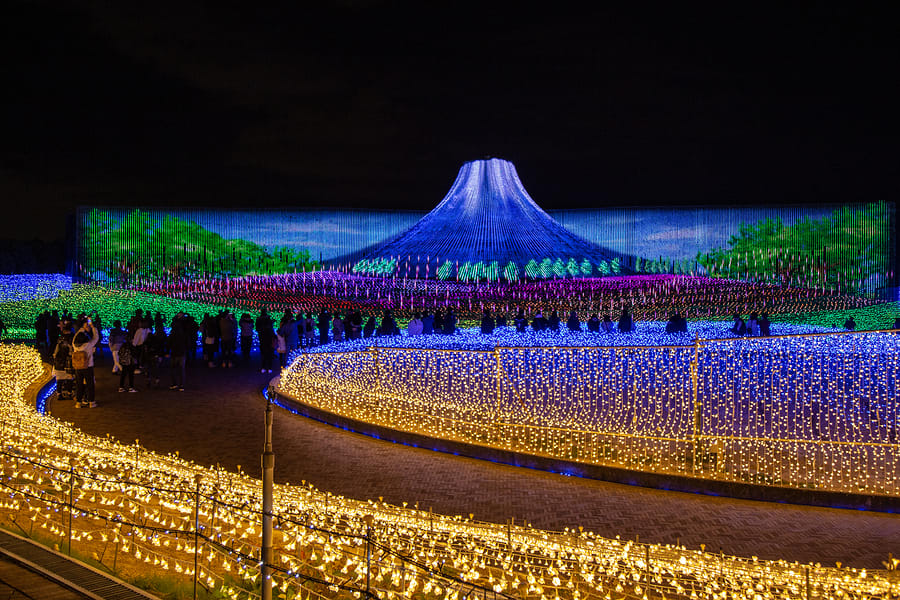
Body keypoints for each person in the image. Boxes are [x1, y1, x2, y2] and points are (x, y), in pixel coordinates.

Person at [72, 318, 100, 408]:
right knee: (90, 384)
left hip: (78, 367)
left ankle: (78, 402)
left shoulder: (74, 345)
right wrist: (93, 327)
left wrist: (82, 328)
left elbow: (75, 337)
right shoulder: (88, 345)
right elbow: (96, 338)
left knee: (79, 384)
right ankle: (91, 402)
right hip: (88, 366)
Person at [51, 323, 75, 401]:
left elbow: (56, 350)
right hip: (67, 361)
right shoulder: (71, 339)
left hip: (59, 361)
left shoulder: (60, 339)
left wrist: (55, 357)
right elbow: (71, 350)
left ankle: (59, 393)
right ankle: (69, 392)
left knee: (60, 379)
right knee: (69, 377)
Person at [167, 316, 189, 391]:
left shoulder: (172, 334)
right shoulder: (183, 334)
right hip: (182, 353)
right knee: (181, 370)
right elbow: (187, 343)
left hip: (174, 353)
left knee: (173, 369)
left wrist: (167, 351)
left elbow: (168, 344)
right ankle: (181, 385)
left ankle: (174, 384)